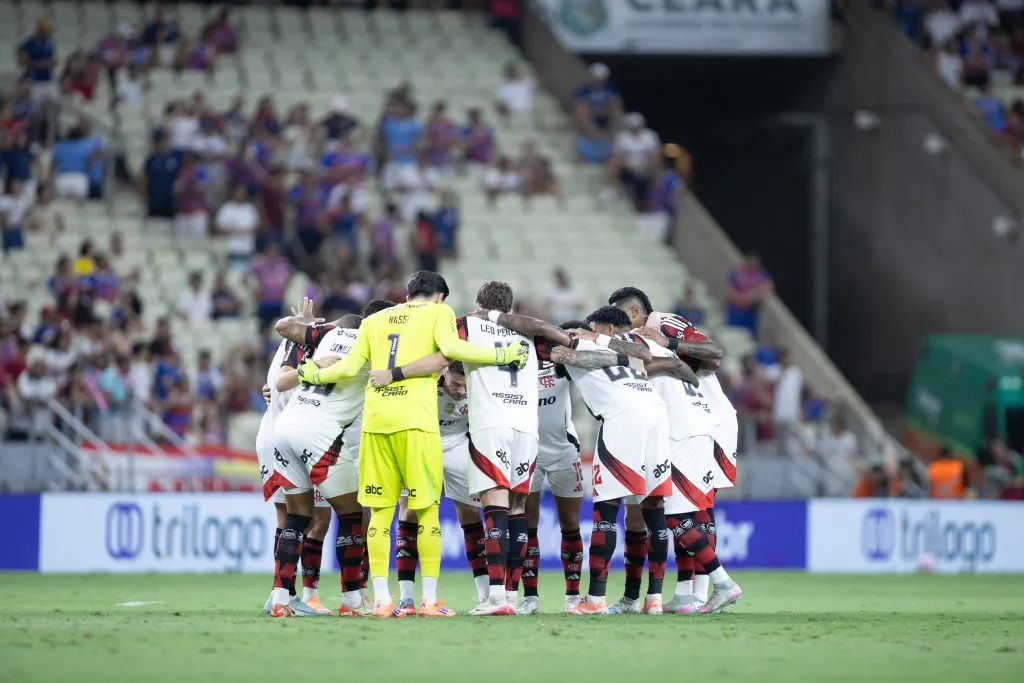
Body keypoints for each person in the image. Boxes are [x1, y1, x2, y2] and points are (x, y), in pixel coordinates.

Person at [376, 283, 639, 615]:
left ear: (478, 305)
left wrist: (395, 372)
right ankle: (513, 599)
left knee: (496, 509)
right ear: (510, 310)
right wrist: (623, 356)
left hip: (491, 426)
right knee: (517, 511)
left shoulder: (466, 326)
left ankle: (496, 598)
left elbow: (439, 354)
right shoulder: (529, 333)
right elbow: (572, 354)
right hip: (527, 431)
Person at [295, 271, 529, 618]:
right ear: (440, 297)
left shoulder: (375, 320)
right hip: (416, 423)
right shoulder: (440, 314)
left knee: (379, 514)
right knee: (427, 512)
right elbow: (451, 350)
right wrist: (502, 355)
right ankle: (429, 601)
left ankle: (382, 600)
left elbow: (347, 369)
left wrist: (311, 373)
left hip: (376, 424)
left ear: (408, 295)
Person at [608, 286, 740, 611]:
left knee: (678, 510)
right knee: (696, 508)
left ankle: (713, 586)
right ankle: (689, 593)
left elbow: (715, 353)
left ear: (636, 313)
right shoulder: (645, 340)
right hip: (699, 417)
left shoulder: (664, 324)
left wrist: (669, 343)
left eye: (620, 318)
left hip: (705, 420)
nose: (617, 327)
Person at [269, 303, 381, 618]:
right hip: (319, 432)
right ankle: (353, 600)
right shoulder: (373, 345)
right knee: (352, 514)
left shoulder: (325, 335)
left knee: (298, 516)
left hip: (286, 426)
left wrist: (307, 330)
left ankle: (281, 599)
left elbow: (284, 326)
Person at [253, 298, 334, 618]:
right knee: (310, 518)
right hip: (291, 439)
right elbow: (283, 381)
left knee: (294, 519)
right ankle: (295, 595)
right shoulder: (303, 348)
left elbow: (275, 384)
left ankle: (281, 593)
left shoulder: (291, 346)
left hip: (275, 434)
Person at [605, 113, 661, 211]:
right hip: (628, 167)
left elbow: (654, 156)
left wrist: (645, 167)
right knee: (612, 164)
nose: (633, 128)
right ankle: (614, 190)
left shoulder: (650, 136)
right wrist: (630, 166)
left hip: (646, 168)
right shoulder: (622, 137)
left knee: (658, 166)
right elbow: (618, 156)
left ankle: (655, 197)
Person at [248, 242, 293, 329]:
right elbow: (248, 274)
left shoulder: (283, 263)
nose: (273, 252)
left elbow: (290, 275)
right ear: (266, 251)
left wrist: (286, 285)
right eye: (271, 250)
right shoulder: (259, 263)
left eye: (275, 250)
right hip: (263, 299)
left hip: (279, 299)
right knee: (264, 322)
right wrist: (254, 287)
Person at [726, 253, 773, 334]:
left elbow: (768, 288)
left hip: (750, 312)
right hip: (736, 310)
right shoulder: (736, 274)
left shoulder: (761, 275)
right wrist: (743, 298)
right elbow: (730, 291)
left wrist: (753, 296)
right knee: (733, 333)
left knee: (748, 335)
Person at [215, 185, 261, 269]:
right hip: (232, 248)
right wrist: (234, 231)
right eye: (238, 192)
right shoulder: (226, 209)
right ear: (234, 193)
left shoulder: (250, 208)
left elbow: (257, 227)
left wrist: (245, 231)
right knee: (233, 275)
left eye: (242, 193)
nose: (240, 195)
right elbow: (219, 228)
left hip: (248, 248)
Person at [140, 130, 179, 220]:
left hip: (169, 200)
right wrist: (143, 195)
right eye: (159, 142)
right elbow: (144, 177)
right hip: (154, 199)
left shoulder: (173, 159)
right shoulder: (151, 159)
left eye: (164, 141)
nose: (162, 144)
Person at [19, 19, 58, 103]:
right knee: (36, 105)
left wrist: (52, 63)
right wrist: (40, 64)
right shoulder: (30, 42)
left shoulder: (49, 42)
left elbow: (51, 60)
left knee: (55, 101)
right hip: (35, 80)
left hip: (48, 79)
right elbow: (23, 61)